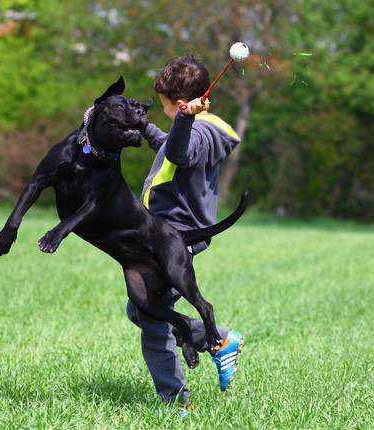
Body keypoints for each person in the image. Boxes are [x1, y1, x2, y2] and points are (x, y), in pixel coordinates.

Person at [125, 54, 244, 414]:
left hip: (173, 240)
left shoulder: (201, 133)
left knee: (151, 316)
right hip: (163, 237)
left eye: (164, 107)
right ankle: (219, 339)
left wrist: (184, 120)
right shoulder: (194, 127)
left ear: (179, 106)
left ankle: (178, 402)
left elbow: (180, 149)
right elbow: (170, 147)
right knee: (142, 310)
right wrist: (145, 126)